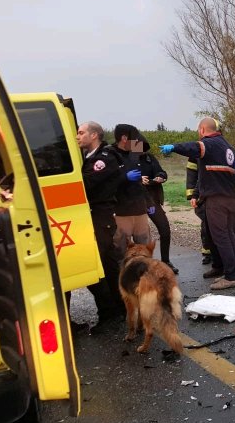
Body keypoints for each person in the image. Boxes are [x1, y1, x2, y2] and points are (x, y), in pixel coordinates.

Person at [160, 117, 235, 290]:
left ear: (202, 129)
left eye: (199, 131)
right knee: (225, 235)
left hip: (217, 200)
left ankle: (231, 276)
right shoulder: (229, 147)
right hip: (229, 199)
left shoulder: (210, 144)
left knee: (221, 237)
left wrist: (174, 147)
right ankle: (224, 268)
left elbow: (194, 147)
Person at [76, 121, 133, 324]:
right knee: (109, 266)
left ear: (94, 136)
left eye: (81, 133)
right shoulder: (88, 157)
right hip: (93, 215)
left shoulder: (104, 158)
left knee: (94, 265)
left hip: (100, 216)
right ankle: (122, 308)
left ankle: (109, 312)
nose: (77, 136)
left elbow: (87, 183)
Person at [137, 136, 179, 274]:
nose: (142, 151)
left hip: (151, 199)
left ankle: (165, 261)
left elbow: (161, 172)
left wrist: (160, 176)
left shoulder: (149, 157)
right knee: (138, 236)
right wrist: (137, 179)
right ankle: (139, 266)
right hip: (133, 201)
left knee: (164, 228)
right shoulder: (126, 158)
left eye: (144, 148)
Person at [111, 124, 152, 256]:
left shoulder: (133, 152)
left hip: (139, 209)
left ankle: (145, 274)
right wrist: (124, 177)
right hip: (122, 211)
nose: (138, 141)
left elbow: (146, 145)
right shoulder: (110, 154)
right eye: (135, 138)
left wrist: (149, 203)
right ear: (124, 138)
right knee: (121, 250)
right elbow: (106, 182)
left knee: (145, 248)